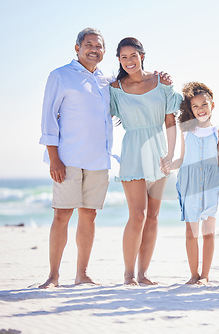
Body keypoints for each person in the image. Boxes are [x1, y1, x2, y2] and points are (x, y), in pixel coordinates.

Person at [38, 28, 113, 288]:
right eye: (89, 44)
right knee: (61, 215)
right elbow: (48, 117)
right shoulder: (60, 75)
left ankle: (82, 274)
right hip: (68, 158)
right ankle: (53, 276)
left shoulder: (106, 81)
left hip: (98, 159)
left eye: (99, 46)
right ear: (77, 48)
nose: (94, 49)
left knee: (89, 215)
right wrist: (54, 158)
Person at [110, 37, 182, 286]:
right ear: (118, 60)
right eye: (123, 57)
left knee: (153, 215)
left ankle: (143, 274)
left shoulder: (162, 84)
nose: (129, 61)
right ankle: (129, 275)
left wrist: (170, 155)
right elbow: (97, 115)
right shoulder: (115, 88)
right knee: (137, 214)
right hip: (132, 151)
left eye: (133, 55)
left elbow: (171, 122)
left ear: (142, 55)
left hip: (159, 151)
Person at [165, 82, 219, 285]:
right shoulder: (185, 131)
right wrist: (167, 165)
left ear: (212, 105)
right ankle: (193, 274)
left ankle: (205, 275)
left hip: (212, 186)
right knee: (192, 233)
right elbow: (182, 159)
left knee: (209, 233)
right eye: (195, 106)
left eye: (204, 104)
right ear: (190, 109)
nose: (200, 109)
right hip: (189, 185)